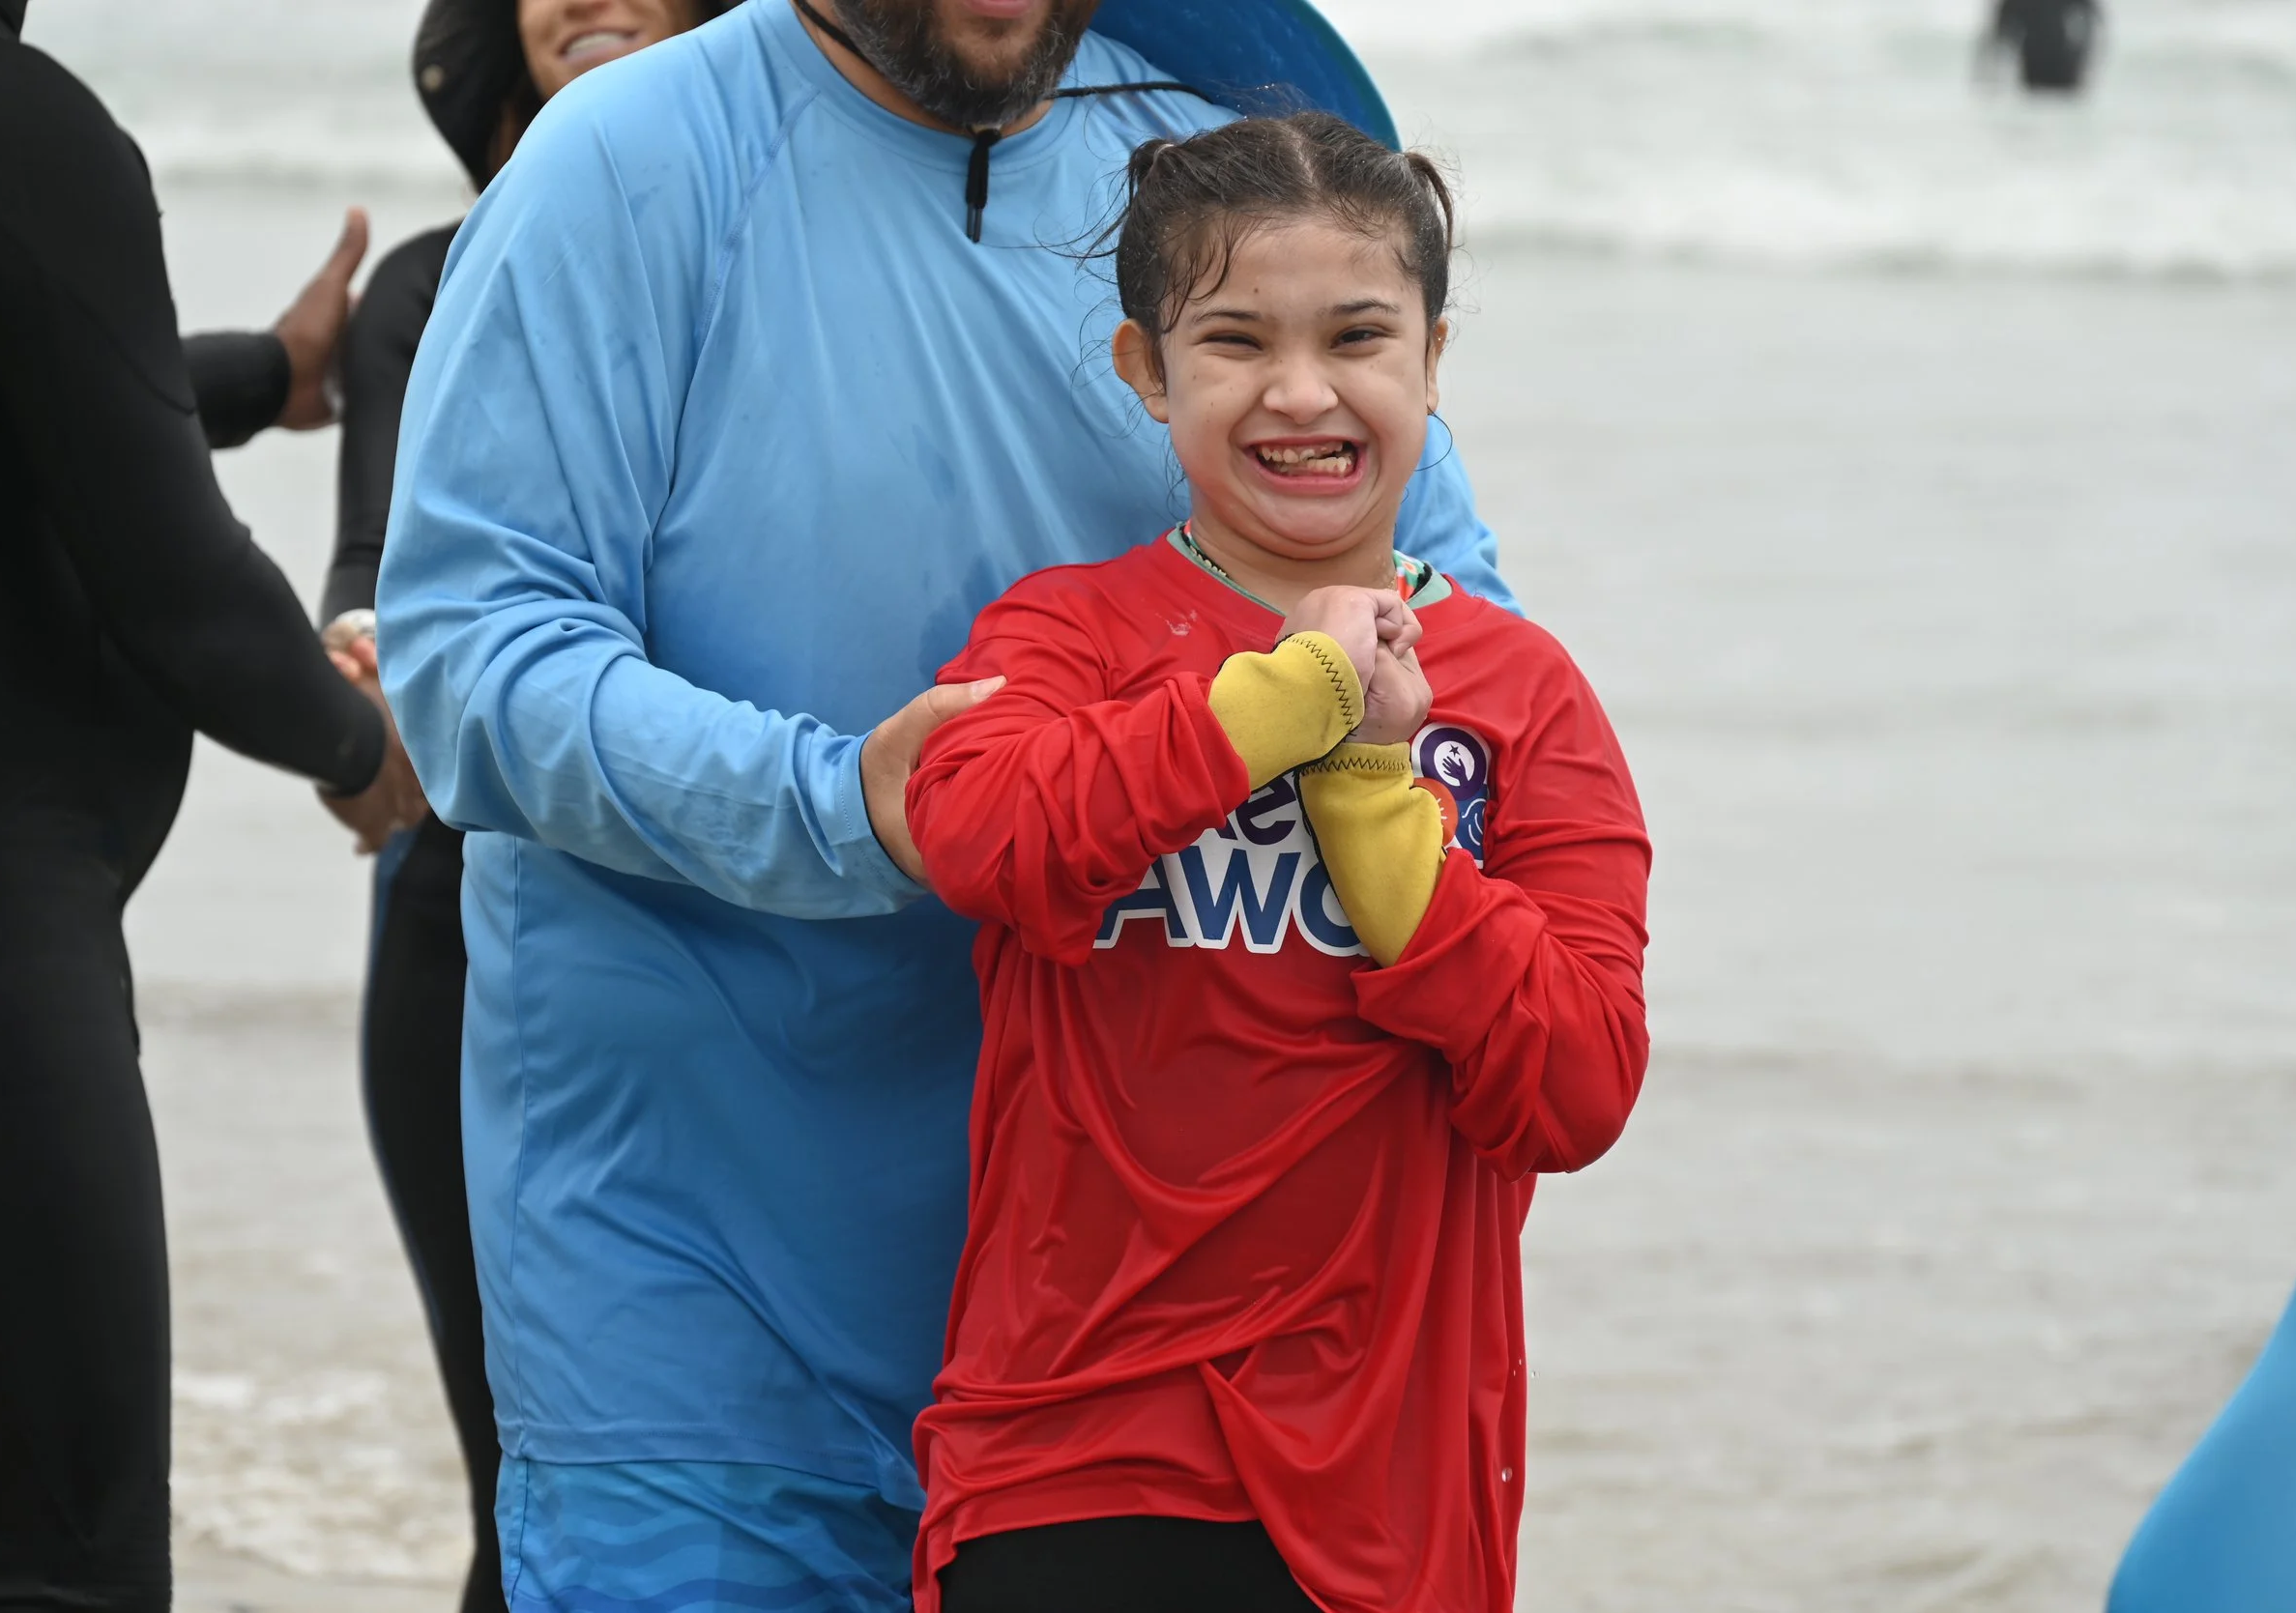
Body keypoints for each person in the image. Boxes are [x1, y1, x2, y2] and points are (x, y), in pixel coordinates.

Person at [377, 0, 1512, 1606]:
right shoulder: (620, 164)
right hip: (699, 1297)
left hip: (1139, 1348)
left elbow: (1448, 615)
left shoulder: (1208, 158)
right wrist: (841, 807)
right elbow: (472, 661)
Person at [905, 112, 1651, 1613]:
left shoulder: (1523, 693)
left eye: (1359, 336)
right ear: (1145, 368)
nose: (1302, 392)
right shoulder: (1068, 635)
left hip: (1391, 1485)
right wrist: (1281, 702)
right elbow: (981, 833)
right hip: (1075, 1444)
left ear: (1434, 361)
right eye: (1236, 340)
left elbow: (1576, 1082)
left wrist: (1379, 802)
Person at [0, 3, 427, 1607]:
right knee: (63, 1544)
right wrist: (356, 742)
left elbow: (46, 393)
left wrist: (252, 376)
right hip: (4, 956)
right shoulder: (21, 128)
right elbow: (178, 585)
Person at [329, 4, 728, 1609]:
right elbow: (378, 583)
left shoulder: (789, 253)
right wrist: (354, 695)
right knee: (532, 1486)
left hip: (777, 937)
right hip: (469, 939)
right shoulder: (427, 285)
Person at [1979, 0, 2101, 93]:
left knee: (2039, 101)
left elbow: (2000, 35)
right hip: (2054, 62)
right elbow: (2091, 20)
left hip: (2041, 63)